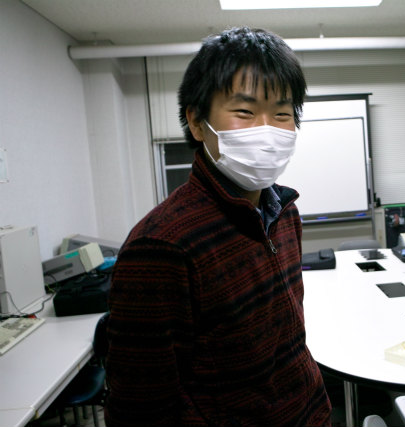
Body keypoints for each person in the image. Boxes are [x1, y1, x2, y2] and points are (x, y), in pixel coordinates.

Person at [105, 27, 332, 426]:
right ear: (196, 122)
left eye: (282, 114)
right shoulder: (161, 247)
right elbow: (139, 410)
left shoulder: (284, 213)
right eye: (245, 112)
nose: (267, 130)